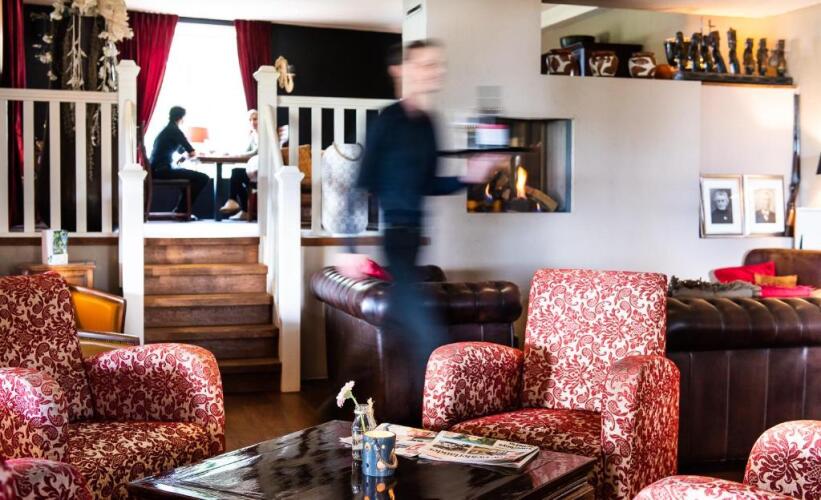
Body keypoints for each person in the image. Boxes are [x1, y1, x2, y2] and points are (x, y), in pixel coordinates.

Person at [335, 40, 504, 371]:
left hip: (416, 240)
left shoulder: (429, 124)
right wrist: (348, 248)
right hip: (395, 238)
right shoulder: (387, 121)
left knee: (409, 336)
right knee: (431, 339)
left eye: (437, 65)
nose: (435, 71)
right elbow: (360, 185)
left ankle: (395, 401)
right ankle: (431, 397)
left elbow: (429, 184)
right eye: (426, 65)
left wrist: (469, 176)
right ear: (401, 70)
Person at [150, 106, 209, 219]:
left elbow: (181, 150)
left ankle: (181, 211)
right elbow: (190, 151)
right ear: (181, 118)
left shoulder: (167, 130)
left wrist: (185, 155)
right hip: (163, 170)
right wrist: (194, 153)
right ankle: (181, 211)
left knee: (191, 179)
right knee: (203, 178)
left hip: (156, 169)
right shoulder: (175, 130)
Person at [220, 109, 259, 221]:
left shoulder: (263, 134)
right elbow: (246, 151)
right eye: (250, 120)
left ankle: (233, 202)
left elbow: (256, 152)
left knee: (236, 174)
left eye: (255, 119)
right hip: (255, 170)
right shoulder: (253, 134)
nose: (252, 122)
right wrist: (232, 153)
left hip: (263, 172)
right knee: (236, 177)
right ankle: (244, 210)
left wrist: (236, 155)